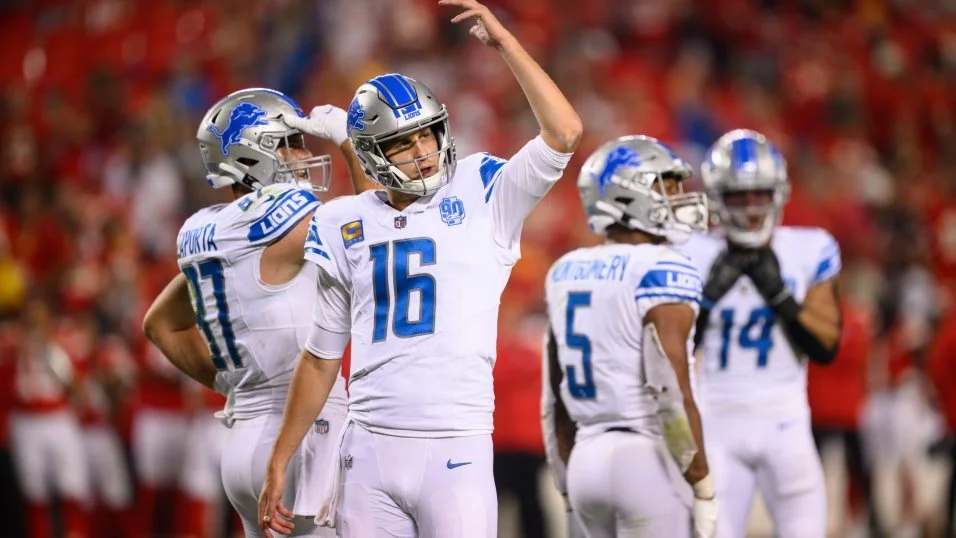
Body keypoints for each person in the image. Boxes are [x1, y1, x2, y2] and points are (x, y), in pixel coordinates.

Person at [257, 1, 583, 536]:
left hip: (455, 446)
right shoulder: (343, 220)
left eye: (427, 134)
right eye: (403, 143)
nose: (423, 151)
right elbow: (320, 358)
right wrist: (280, 455)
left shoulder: (481, 191)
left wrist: (505, 45)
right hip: (366, 448)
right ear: (372, 153)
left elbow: (564, 132)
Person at [142, 87, 371, 537]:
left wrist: (230, 382)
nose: (304, 155)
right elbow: (379, 227)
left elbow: (160, 325)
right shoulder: (284, 223)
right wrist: (348, 142)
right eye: (291, 144)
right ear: (252, 155)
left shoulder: (210, 230)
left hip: (243, 437)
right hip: (303, 437)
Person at [542, 135, 718, 538]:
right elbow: (669, 388)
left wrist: (564, 479)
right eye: (666, 186)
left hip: (584, 460)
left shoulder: (565, 270)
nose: (678, 198)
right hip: (646, 459)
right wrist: (702, 482)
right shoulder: (662, 266)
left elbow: (554, 398)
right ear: (627, 195)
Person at [682, 129, 842, 538]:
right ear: (717, 197)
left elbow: (826, 347)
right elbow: (671, 349)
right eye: (739, 196)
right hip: (716, 422)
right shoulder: (691, 252)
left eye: (760, 194)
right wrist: (706, 302)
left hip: (786, 421)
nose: (752, 207)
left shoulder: (809, 249)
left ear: (779, 193)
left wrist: (781, 297)